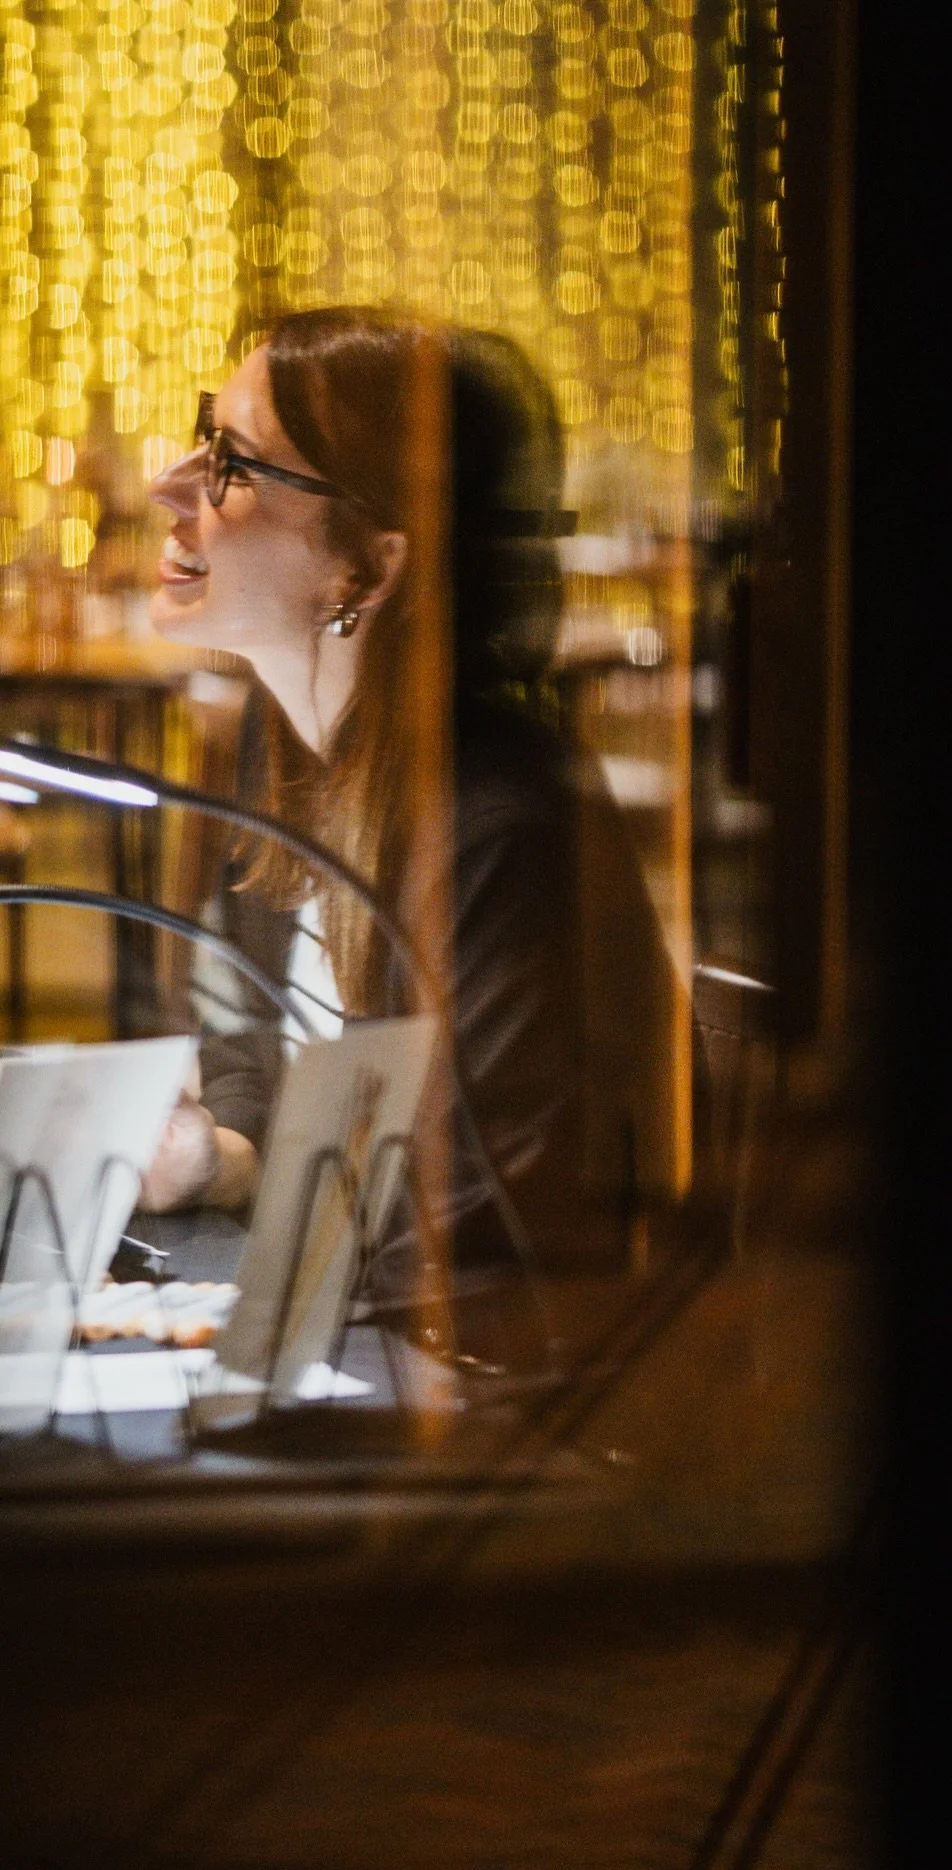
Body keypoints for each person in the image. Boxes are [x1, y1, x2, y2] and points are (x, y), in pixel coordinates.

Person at [137, 307, 679, 1331]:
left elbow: (476, 1242)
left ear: (369, 570)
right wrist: (227, 1158)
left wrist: (210, 1329)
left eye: (234, 466)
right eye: (207, 439)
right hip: (340, 1324)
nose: (169, 484)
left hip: (489, 1407)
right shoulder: (282, 742)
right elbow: (247, 1035)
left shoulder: (502, 825)